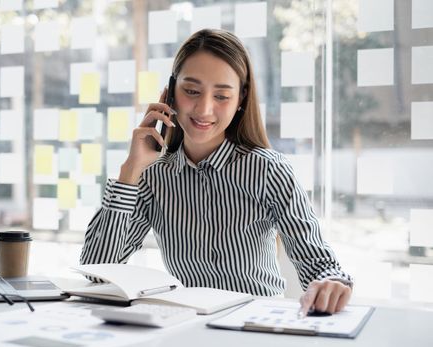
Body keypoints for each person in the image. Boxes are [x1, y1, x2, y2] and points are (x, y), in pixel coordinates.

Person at [80, 29, 352, 315]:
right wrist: (130, 171)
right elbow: (97, 273)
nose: (204, 109)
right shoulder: (153, 176)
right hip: (186, 326)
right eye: (192, 91)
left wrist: (332, 284)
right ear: (171, 93)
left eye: (221, 95)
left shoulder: (269, 170)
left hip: (254, 328)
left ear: (241, 99)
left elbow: (320, 264)